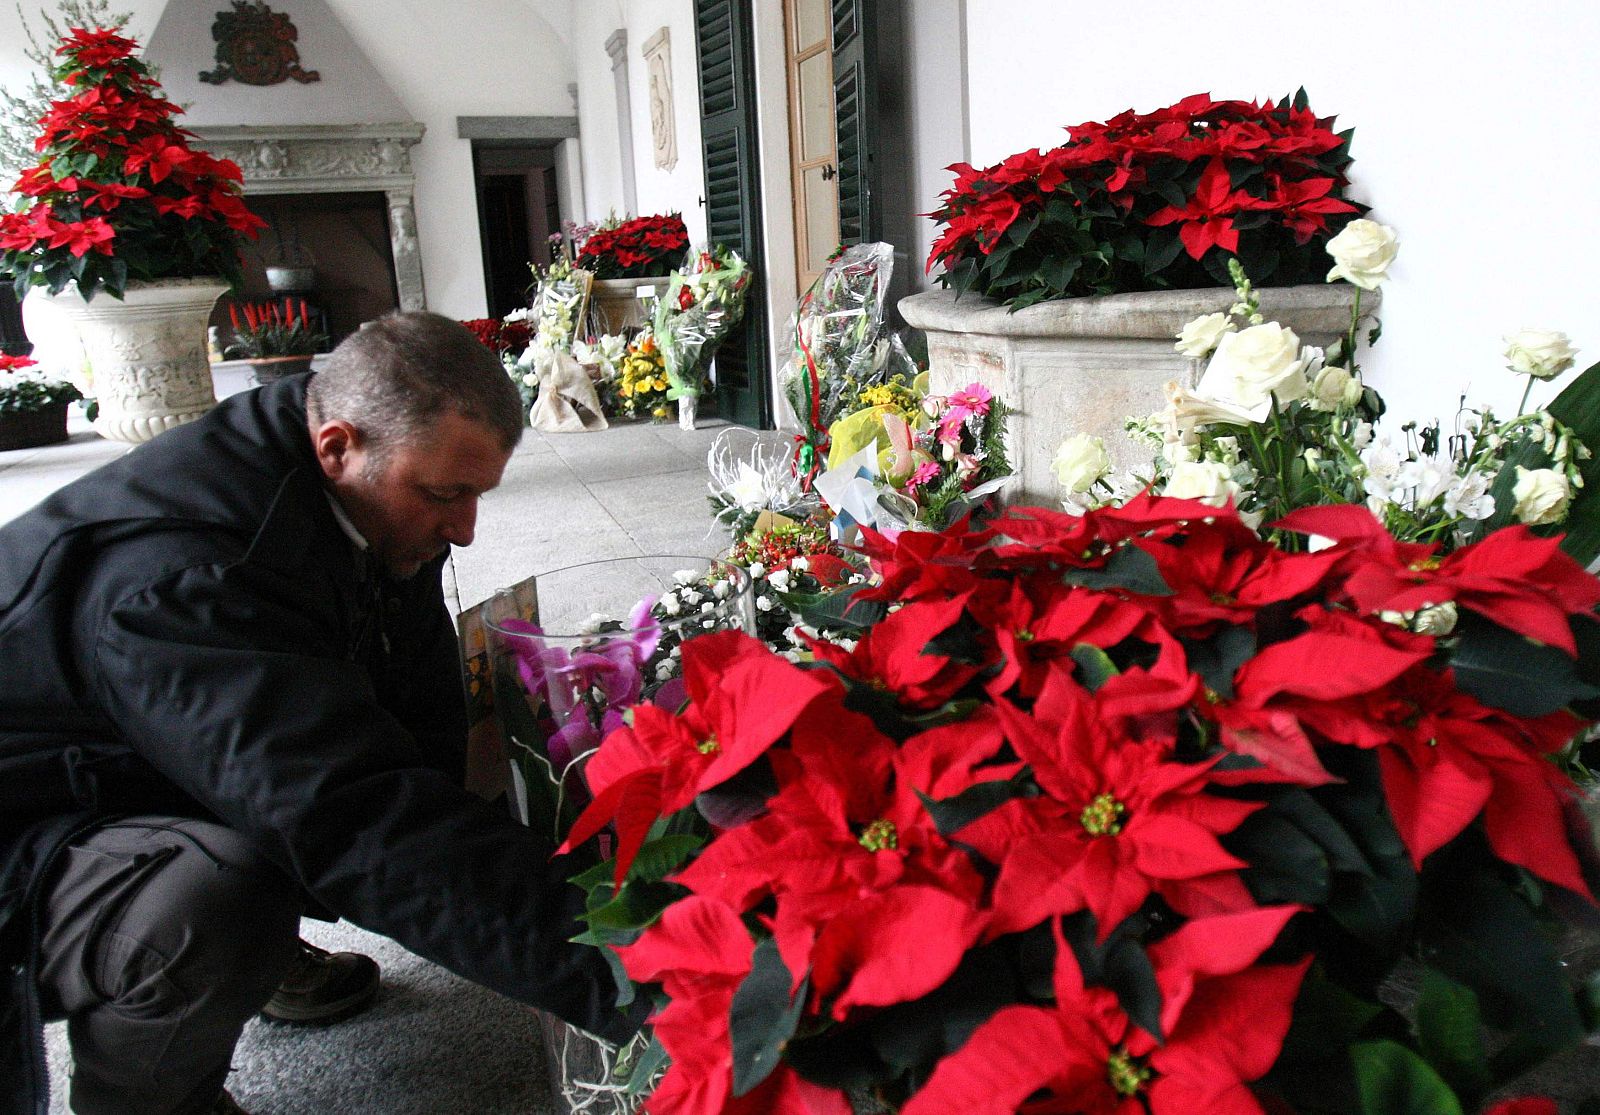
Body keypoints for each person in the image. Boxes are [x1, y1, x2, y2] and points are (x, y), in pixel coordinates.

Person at [0, 312, 637, 1115]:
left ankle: (253, 934)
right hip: (25, 825)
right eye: (447, 495)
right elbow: (349, 818)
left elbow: (412, 699)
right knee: (216, 900)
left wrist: (492, 858)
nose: (467, 529)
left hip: (121, 750)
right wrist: (634, 971)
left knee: (298, 771)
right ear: (337, 445)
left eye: (477, 493)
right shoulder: (187, 583)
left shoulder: (359, 475)